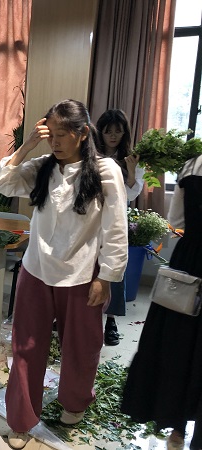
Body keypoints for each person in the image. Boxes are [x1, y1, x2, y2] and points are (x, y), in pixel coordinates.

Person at [0, 99, 128, 449]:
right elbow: (1, 183)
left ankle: (75, 402)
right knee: (25, 346)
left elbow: (115, 228)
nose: (54, 142)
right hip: (36, 269)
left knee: (81, 346)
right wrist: (26, 145)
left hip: (81, 274)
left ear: (82, 134)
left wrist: (106, 276)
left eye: (62, 134)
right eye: (50, 134)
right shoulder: (42, 167)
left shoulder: (105, 170)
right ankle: (21, 418)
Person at [122, 154, 202, 450]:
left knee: (180, 344)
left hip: (192, 259)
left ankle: (177, 429)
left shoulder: (192, 165)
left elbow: (177, 222)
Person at [95, 109, 145, 346]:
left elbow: (131, 194)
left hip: (115, 219)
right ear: (100, 133)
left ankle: (111, 320)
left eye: (118, 131)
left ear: (125, 133)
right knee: (86, 264)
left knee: (114, 266)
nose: (113, 136)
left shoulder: (132, 158)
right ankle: (76, 313)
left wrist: (131, 172)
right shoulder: (91, 155)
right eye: (108, 132)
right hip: (91, 218)